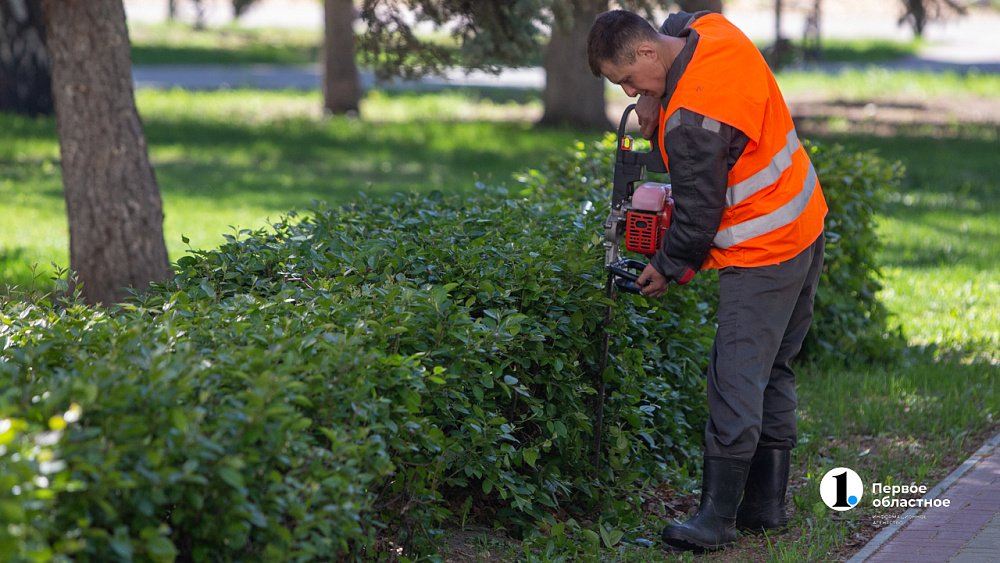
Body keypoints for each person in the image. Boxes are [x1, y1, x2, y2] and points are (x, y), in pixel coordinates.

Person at [587, 10, 828, 552]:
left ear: (647, 53)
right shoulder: (715, 33)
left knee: (735, 380)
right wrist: (655, 99)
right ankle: (765, 507)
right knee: (774, 368)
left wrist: (665, 267)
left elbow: (696, 220)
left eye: (628, 80)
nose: (629, 93)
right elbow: (680, 18)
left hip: (763, 251)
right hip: (804, 221)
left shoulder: (692, 123)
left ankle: (716, 519)